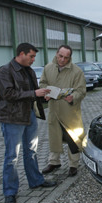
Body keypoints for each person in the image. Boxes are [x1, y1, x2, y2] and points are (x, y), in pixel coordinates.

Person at [0, 43, 57, 203]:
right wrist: (33, 93)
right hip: (12, 118)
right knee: (12, 156)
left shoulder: (29, 70)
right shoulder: (4, 71)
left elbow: (31, 92)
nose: (33, 59)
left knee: (31, 151)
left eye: (34, 57)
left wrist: (42, 96)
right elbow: (7, 94)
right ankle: (10, 191)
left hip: (29, 115)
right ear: (21, 54)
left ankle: (36, 181)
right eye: (31, 56)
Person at [39, 45, 87, 177]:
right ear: (56, 54)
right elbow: (42, 83)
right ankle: (54, 162)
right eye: (60, 56)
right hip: (54, 111)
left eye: (66, 57)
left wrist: (74, 97)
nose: (62, 60)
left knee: (73, 139)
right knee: (54, 137)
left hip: (70, 112)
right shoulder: (48, 68)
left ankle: (73, 165)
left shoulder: (77, 72)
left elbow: (81, 91)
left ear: (70, 57)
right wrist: (45, 92)